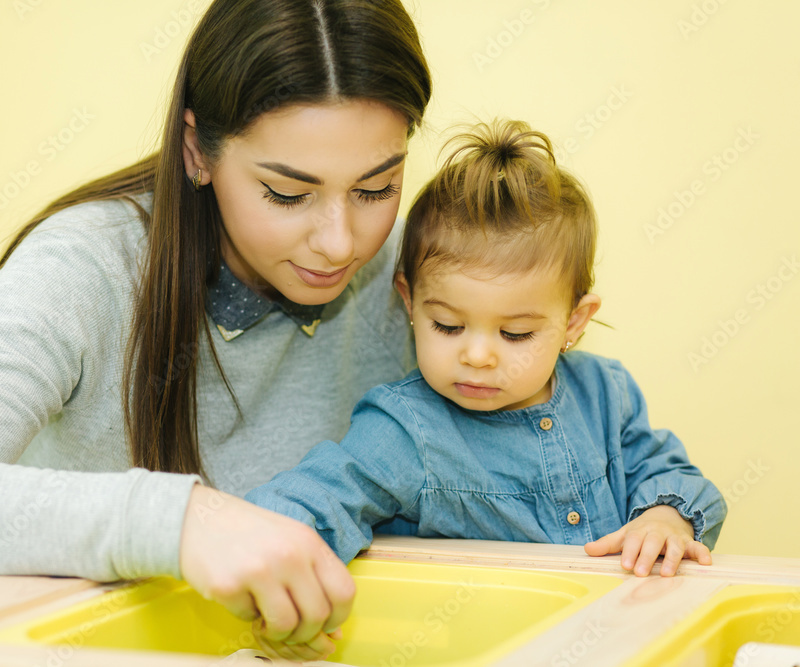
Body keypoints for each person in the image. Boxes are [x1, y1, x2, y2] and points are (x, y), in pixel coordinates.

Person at [0, 0, 431, 661]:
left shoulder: (410, 273)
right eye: (286, 194)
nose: (340, 242)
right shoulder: (89, 261)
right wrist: (184, 519)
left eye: (377, 188)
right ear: (197, 150)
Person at [245, 119, 728, 593]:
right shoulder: (406, 428)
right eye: (448, 326)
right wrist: (234, 542)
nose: (476, 355)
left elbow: (668, 473)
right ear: (409, 302)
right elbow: (320, 497)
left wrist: (666, 518)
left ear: (574, 324)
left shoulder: (607, 393)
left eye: (515, 333)